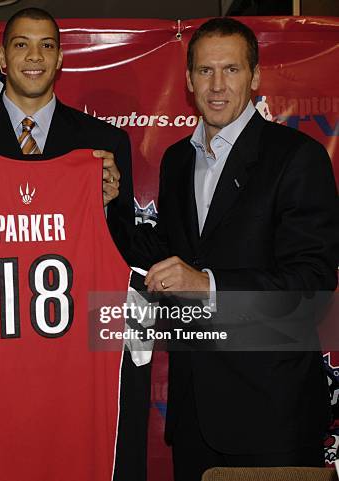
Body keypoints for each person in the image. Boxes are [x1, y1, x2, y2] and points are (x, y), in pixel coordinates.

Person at [0, 7, 150, 481]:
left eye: (47, 45)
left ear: (61, 58)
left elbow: (124, 256)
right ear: (3, 58)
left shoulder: (103, 143)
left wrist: (104, 208)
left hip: (71, 366)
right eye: (22, 44)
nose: (35, 55)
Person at [138, 17, 337, 481]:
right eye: (205, 71)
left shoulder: (297, 157)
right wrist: (99, 202)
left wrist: (207, 286)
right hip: (193, 419)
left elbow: (311, 287)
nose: (217, 85)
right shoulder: (176, 160)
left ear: (256, 76)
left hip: (272, 417)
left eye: (231, 70)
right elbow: (166, 249)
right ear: (187, 81)